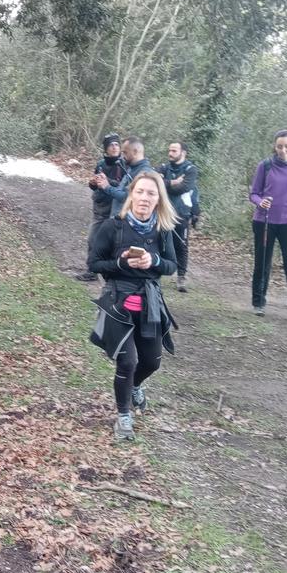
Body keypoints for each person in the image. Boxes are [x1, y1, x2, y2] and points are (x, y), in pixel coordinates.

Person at [87, 171, 179, 442]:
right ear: (131, 194)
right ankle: (123, 416)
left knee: (151, 362)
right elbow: (93, 265)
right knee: (128, 361)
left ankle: (136, 386)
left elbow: (172, 265)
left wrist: (154, 262)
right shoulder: (111, 227)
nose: (144, 198)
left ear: (158, 199)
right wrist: (121, 264)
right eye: (140, 192)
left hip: (150, 303)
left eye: (151, 193)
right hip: (118, 302)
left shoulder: (163, 230)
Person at [249, 129, 287, 320]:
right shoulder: (266, 166)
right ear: (275, 146)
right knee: (262, 263)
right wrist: (260, 202)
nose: (283, 150)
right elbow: (253, 193)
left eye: (286, 146)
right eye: (279, 146)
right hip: (264, 220)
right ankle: (258, 303)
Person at [77, 133, 127, 282]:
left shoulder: (124, 165)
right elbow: (95, 187)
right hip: (100, 208)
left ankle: (114, 272)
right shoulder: (101, 164)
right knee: (92, 239)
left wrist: (107, 182)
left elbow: (124, 187)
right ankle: (91, 271)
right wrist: (93, 183)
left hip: (116, 210)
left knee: (115, 243)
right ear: (106, 149)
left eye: (117, 145)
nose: (114, 147)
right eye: (111, 145)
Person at [157, 140, 199, 292]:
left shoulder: (190, 169)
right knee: (159, 242)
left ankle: (181, 278)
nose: (170, 153)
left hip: (182, 213)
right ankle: (156, 274)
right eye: (169, 150)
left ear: (183, 153)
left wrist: (165, 185)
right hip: (163, 211)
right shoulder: (163, 167)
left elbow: (185, 187)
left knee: (181, 245)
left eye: (174, 150)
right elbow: (155, 182)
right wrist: (173, 182)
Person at [92, 136, 152, 212]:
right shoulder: (132, 168)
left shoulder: (144, 173)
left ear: (135, 152)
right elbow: (121, 189)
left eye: (125, 152)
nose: (122, 155)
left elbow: (127, 197)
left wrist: (107, 187)